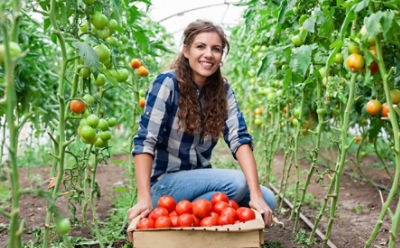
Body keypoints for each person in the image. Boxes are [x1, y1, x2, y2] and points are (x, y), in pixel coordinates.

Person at [127, 20, 276, 227]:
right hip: (164, 185)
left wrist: (257, 195)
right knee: (237, 184)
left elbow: (239, 138)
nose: (209, 54)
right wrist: (143, 197)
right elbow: (145, 141)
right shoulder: (167, 83)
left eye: (216, 49)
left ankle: (188, 215)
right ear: (186, 50)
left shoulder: (222, 90)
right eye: (200, 46)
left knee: (267, 198)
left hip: (195, 179)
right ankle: (171, 211)